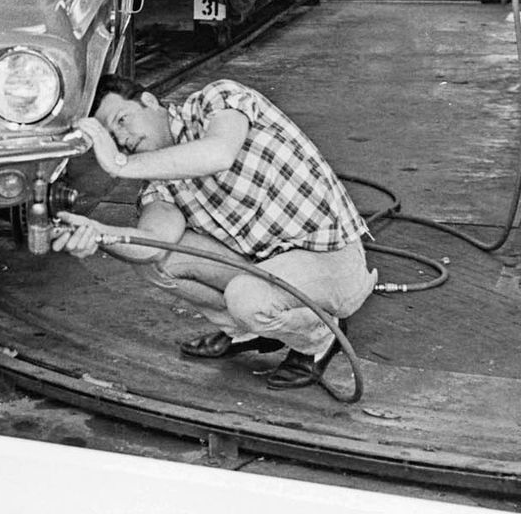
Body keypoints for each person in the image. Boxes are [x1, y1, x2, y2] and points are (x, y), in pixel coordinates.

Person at [53, 76, 376, 391]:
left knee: (246, 297)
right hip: (267, 265)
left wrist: (118, 163)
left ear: (149, 101)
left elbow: (219, 153)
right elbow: (152, 246)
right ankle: (247, 332)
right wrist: (100, 234)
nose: (121, 139)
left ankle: (319, 337)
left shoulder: (216, 99)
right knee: (161, 260)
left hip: (331, 258)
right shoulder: (156, 183)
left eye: (122, 120)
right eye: (111, 136)